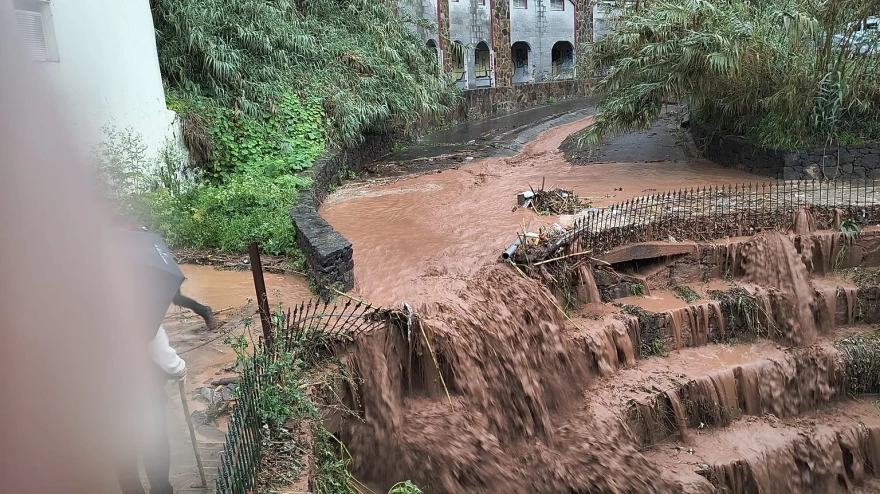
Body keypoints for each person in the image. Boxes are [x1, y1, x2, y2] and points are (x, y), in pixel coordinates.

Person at [115, 325, 187, 494]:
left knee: (122, 450)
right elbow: (163, 355)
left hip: (107, 396)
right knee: (154, 443)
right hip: (144, 391)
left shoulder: (86, 316)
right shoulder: (145, 313)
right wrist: (180, 368)